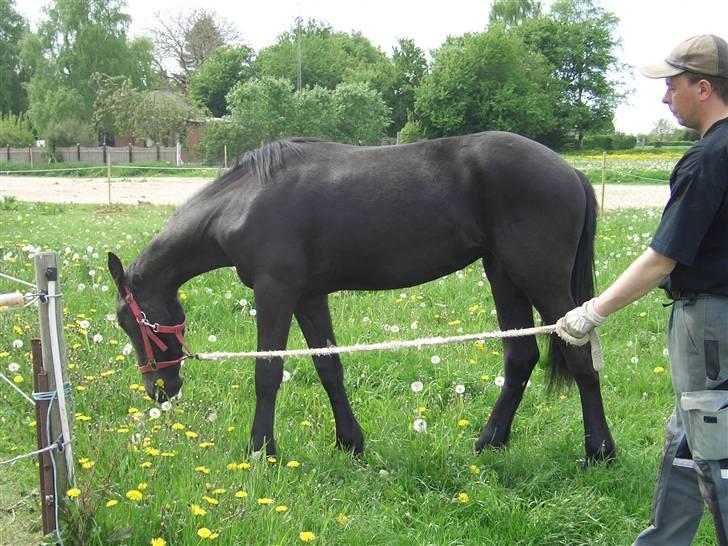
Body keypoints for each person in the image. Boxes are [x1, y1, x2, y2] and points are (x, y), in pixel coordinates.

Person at [558, 34, 728, 546]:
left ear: (702, 88)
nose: (664, 97)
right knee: (686, 436)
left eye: (671, 85)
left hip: (710, 323)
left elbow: (661, 259)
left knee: (715, 447)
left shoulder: (707, 161)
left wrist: (592, 311)